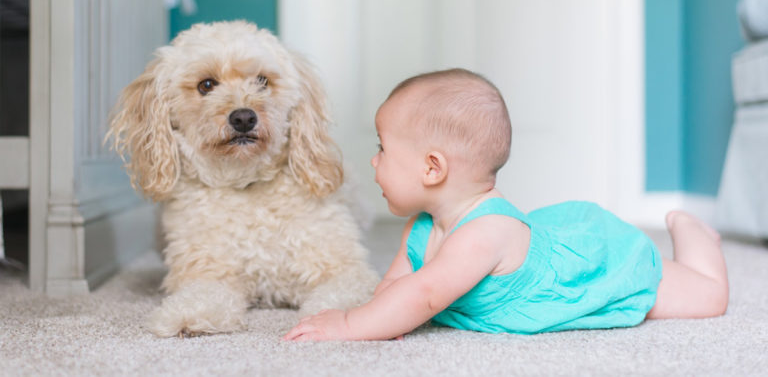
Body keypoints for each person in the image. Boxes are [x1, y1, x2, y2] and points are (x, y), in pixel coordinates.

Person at [283, 68, 729, 341]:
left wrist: (348, 325)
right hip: (543, 239)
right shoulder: (420, 227)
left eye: (383, 150)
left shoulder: (483, 235)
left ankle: (691, 230)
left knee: (709, 298)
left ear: (432, 168)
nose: (374, 160)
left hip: (592, 264)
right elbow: (397, 288)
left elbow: (424, 294)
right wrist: (379, 318)